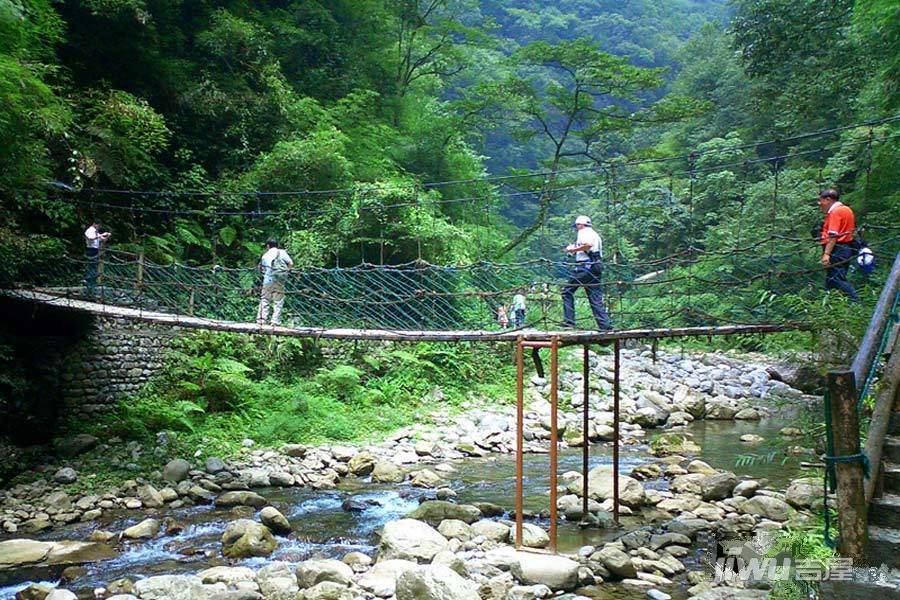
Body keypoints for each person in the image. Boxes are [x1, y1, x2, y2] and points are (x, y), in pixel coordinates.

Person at [561, 215, 613, 330]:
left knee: (567, 291)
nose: (576, 228)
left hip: (585, 267)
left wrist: (572, 250)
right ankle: (605, 326)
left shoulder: (583, 232)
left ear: (581, 224)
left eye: (577, 225)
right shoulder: (595, 234)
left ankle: (569, 322)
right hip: (596, 267)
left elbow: (588, 245)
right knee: (594, 297)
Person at [817, 189, 859, 302]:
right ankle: (831, 305)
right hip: (847, 247)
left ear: (828, 199)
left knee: (837, 279)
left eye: (820, 200)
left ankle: (855, 301)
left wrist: (826, 254)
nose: (819, 204)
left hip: (837, 249)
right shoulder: (847, 210)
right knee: (831, 280)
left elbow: (833, 235)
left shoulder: (835, 212)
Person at [257, 239, 294, 325]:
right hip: (279, 280)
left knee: (265, 299)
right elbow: (291, 263)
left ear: (268, 246)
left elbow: (263, 269)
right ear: (277, 245)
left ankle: (261, 320)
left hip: (267, 280)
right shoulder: (282, 252)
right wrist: (285, 272)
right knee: (278, 301)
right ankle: (275, 321)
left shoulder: (265, 255)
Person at [84, 219, 110, 297]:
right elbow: (91, 238)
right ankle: (89, 287)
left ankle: (92, 288)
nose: (99, 227)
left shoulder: (96, 232)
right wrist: (101, 235)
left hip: (96, 250)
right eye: (98, 226)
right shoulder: (89, 231)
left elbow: (102, 240)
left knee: (94, 268)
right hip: (91, 250)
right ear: (95, 224)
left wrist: (106, 236)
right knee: (91, 269)